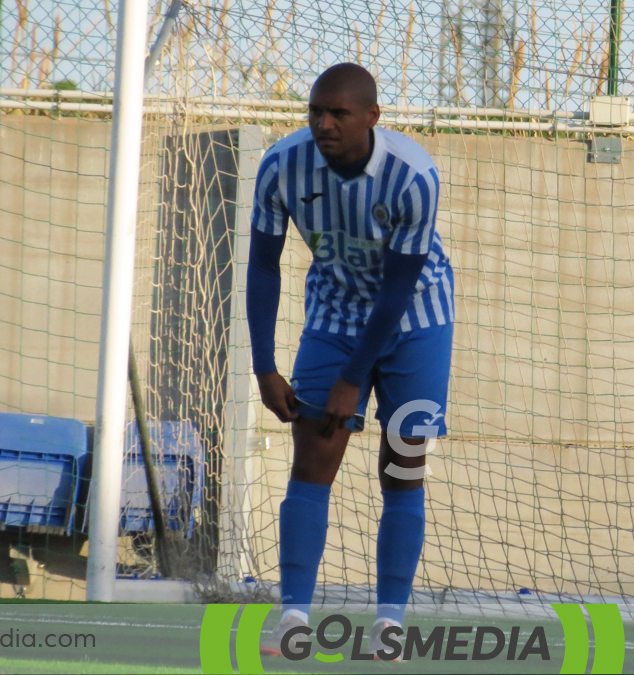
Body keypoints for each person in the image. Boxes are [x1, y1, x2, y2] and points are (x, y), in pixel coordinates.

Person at [247, 62, 454, 658]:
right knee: (314, 455)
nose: (323, 123)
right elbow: (263, 267)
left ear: (372, 117)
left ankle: (389, 621)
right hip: (334, 315)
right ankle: (293, 618)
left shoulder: (413, 175)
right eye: (315, 111)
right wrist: (265, 365)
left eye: (338, 113)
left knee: (402, 465)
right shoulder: (282, 166)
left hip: (417, 318)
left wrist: (351, 381)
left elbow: (396, 290)